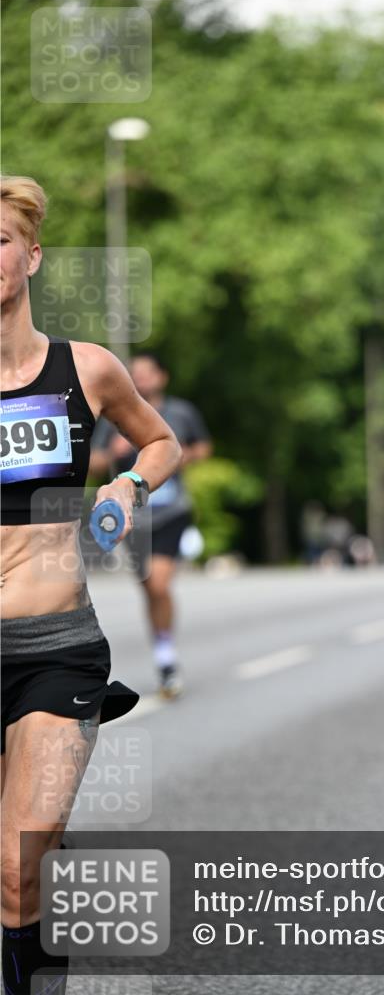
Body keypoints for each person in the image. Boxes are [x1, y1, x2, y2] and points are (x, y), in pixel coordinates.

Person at [0, 176, 181, 994]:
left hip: (56, 645)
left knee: (16, 864)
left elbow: (160, 443)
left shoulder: (87, 369)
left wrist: (126, 488)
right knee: (19, 864)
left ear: (30, 256)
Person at [90, 353, 211, 699]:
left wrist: (178, 455)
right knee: (148, 589)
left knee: (158, 585)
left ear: (163, 376)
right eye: (135, 374)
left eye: (147, 373)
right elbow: (94, 464)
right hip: (134, 519)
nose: (141, 379)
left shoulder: (181, 412)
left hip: (172, 511)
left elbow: (204, 447)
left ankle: (166, 657)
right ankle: (164, 653)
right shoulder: (113, 416)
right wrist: (112, 451)